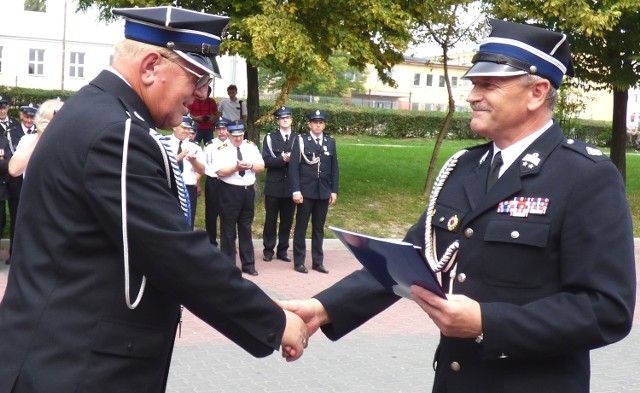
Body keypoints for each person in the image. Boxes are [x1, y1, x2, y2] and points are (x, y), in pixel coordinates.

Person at [280, 19, 636, 393]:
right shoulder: (465, 167)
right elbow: (411, 259)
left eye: (488, 85)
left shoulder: (584, 176)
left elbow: (606, 310)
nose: (471, 96)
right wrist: (323, 309)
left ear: (537, 92)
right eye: (474, 84)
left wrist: (487, 322)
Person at [0, 7, 308, 393]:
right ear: (149, 66)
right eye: (196, 80)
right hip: (76, 366)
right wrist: (274, 322)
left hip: (57, 354)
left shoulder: (94, 112)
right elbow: (172, 251)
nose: (200, 97)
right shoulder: (118, 132)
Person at [288, 110, 339, 274]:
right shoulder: (301, 140)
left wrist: (334, 190)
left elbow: (334, 169)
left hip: (323, 191)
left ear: (324, 124)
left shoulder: (330, 141)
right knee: (301, 227)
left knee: (319, 228)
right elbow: (293, 168)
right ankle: (299, 262)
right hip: (305, 191)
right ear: (309, 124)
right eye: (315, 122)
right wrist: (296, 190)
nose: (318, 125)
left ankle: (318, 262)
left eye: (321, 122)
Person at [212, 120, 264, 276]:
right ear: (228, 133)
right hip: (230, 190)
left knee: (246, 227)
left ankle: (248, 264)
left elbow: (261, 166)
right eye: (235, 136)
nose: (238, 139)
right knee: (228, 228)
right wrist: (236, 168)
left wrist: (250, 166)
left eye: (241, 135)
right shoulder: (221, 149)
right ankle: (228, 265)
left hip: (247, 191)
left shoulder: (251, 147)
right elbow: (219, 172)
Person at [261, 106, 298, 262]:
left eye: (287, 118)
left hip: (290, 185)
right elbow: (266, 160)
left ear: (291, 120)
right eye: (282, 118)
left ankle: (283, 250)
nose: (285, 120)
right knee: (271, 219)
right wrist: (282, 159)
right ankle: (268, 249)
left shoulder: (298, 138)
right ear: (277, 121)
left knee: (287, 220)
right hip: (274, 185)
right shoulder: (270, 138)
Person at [3, 103, 36, 265]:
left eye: (32, 117)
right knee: (16, 220)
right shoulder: (12, 132)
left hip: (34, 183)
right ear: (21, 116)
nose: (29, 120)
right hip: (16, 184)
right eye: (27, 116)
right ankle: (13, 254)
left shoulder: (41, 133)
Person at [8, 98, 64, 178]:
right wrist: (39, 137)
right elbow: (14, 170)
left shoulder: (71, 141)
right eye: (49, 121)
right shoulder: (28, 139)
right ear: (40, 121)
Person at [169, 115, 205, 228]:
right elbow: (159, 164)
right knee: (169, 220)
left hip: (188, 188)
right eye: (183, 128)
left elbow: (202, 170)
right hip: (170, 186)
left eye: (188, 129)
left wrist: (194, 162)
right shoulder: (165, 143)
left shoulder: (194, 146)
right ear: (174, 127)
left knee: (187, 222)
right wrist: (177, 158)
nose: (186, 131)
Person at [203, 116, 231, 247]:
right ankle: (211, 242)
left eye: (224, 129)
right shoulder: (210, 145)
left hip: (230, 182)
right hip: (214, 181)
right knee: (211, 213)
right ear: (215, 131)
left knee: (229, 213)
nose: (222, 132)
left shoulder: (234, 144)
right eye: (219, 129)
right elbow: (205, 163)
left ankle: (228, 243)